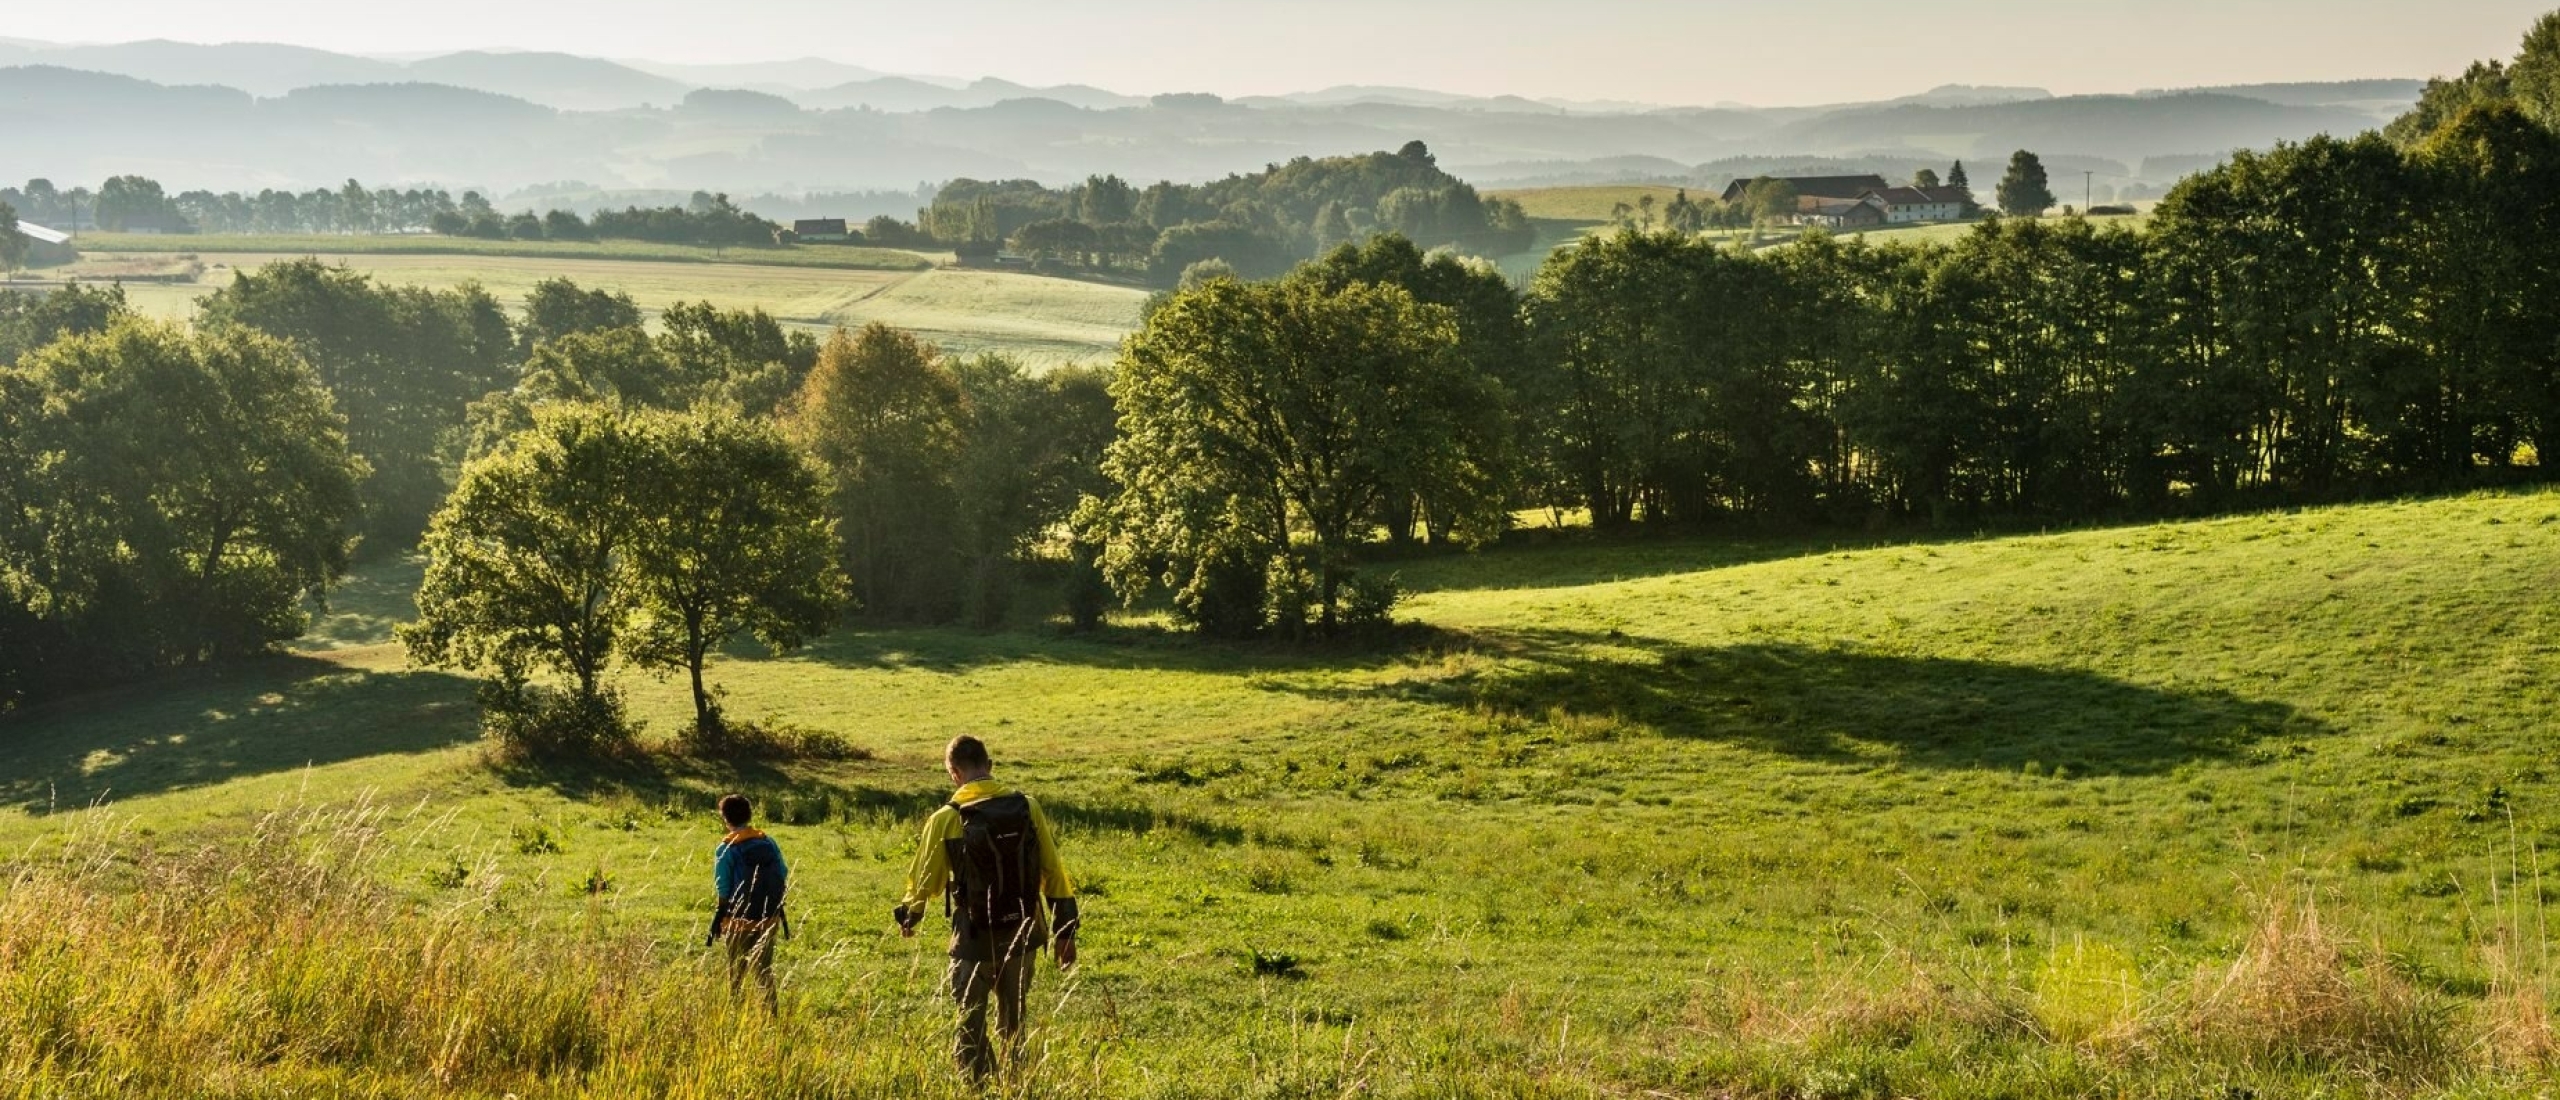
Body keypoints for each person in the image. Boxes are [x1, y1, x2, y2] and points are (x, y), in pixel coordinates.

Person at [893, 735, 1080, 1081]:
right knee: (1014, 1021)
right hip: (1023, 935)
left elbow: (924, 882)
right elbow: (1053, 872)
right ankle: (1017, 1083)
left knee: (969, 1021)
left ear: (953, 772)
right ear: (990, 766)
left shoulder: (945, 819)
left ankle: (979, 1085)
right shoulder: (1028, 806)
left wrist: (910, 915)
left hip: (973, 940)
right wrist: (1065, 931)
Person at [710, 792, 788, 1014]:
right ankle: (773, 1015)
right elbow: (782, 872)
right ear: (750, 814)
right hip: (769, 916)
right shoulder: (767, 841)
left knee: (736, 969)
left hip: (738, 918)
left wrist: (721, 914)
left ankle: (735, 1012)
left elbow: (722, 886)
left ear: (725, 818)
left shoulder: (726, 847)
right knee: (763, 970)